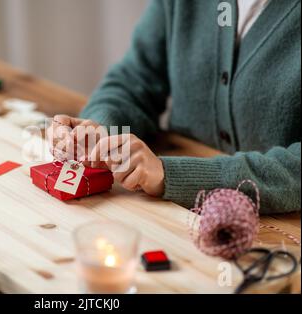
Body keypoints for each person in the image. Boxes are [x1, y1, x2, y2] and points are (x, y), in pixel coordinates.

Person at [47, 0, 300, 214]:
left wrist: (171, 175)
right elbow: (134, 80)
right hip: (170, 213)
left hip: (279, 232)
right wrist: (101, 131)